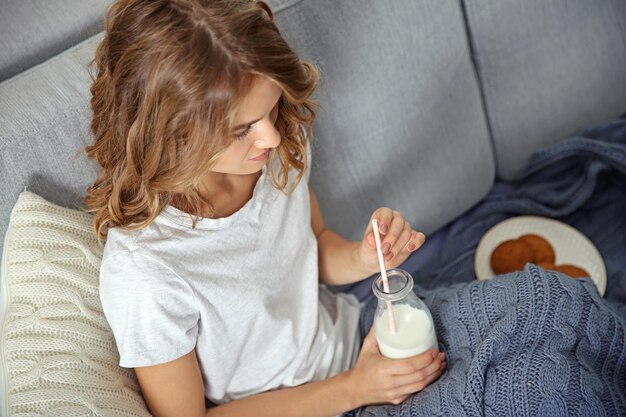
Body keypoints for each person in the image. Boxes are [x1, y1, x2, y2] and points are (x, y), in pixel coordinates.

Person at [85, 1, 446, 416]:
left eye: (270, 107)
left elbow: (311, 253)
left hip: (363, 339)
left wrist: (366, 257)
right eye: (242, 129)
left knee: (536, 302)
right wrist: (355, 389)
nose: (272, 137)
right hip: (335, 398)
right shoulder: (145, 273)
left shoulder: (276, 150)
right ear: (171, 134)